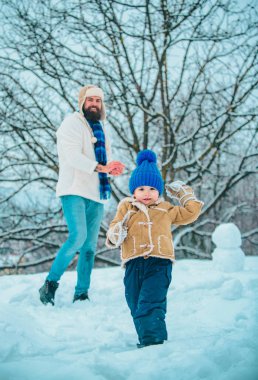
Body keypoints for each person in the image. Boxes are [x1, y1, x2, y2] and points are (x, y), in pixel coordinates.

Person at [106, 149, 203, 348]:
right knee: (135, 304)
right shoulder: (126, 208)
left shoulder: (165, 209)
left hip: (159, 262)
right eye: (141, 189)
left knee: (150, 302)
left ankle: (153, 342)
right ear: (133, 191)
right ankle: (148, 337)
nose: (147, 193)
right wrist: (117, 232)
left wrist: (185, 194)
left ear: (158, 191)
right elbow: (113, 230)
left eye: (152, 188)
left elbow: (191, 213)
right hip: (133, 264)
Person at [39, 84, 125, 305]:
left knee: (89, 248)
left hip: (95, 193)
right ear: (82, 103)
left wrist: (112, 168)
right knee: (77, 237)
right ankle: (50, 284)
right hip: (73, 189)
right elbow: (72, 157)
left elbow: (106, 161)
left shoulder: (103, 129)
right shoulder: (72, 123)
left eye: (98, 100)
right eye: (90, 100)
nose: (94, 104)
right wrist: (102, 167)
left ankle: (81, 292)